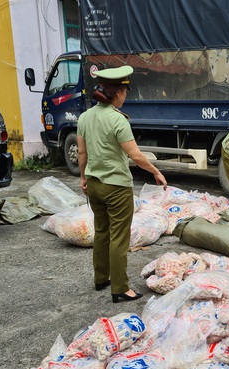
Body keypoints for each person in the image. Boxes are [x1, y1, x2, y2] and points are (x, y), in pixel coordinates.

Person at [77, 65, 167, 303]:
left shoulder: (84, 118)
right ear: (117, 93)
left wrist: (83, 177)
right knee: (119, 237)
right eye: (125, 91)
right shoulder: (118, 121)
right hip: (116, 188)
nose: (126, 96)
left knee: (102, 231)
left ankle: (101, 278)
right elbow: (136, 156)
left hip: (94, 185)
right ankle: (119, 288)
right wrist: (156, 171)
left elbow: (81, 154)